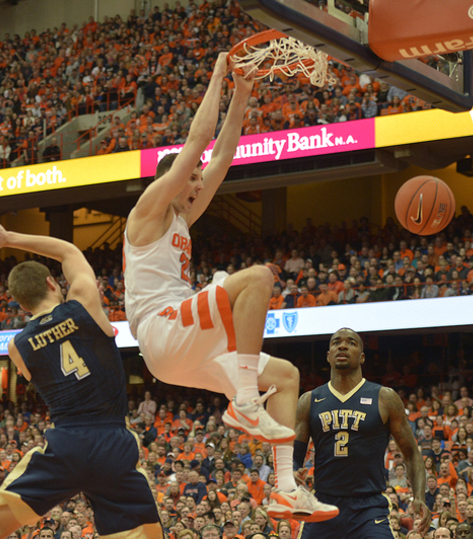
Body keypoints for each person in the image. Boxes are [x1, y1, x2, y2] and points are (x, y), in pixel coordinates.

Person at [123, 53, 335, 521]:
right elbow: (199, 143)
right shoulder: (149, 209)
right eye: (192, 178)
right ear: (171, 179)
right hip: (160, 328)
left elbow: (221, 155)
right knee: (257, 276)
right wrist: (219, 75)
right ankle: (242, 400)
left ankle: (285, 488)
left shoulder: (181, 216)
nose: (200, 183)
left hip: (180, 352)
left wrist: (242, 92)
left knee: (285, 377)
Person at [0, 216, 162, 539]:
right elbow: (69, 252)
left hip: (66, 444)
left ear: (19, 303)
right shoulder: (84, 302)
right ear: (51, 283)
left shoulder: (16, 346)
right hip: (114, 442)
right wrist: (8, 236)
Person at [294, 327, 431, 538]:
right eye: (336, 342)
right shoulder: (309, 400)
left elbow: (412, 454)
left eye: (351, 342)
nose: (342, 345)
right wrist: (291, 473)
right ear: (328, 356)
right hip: (322, 504)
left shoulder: (384, 397)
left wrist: (419, 496)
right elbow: (294, 456)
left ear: (363, 357)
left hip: (368, 508)